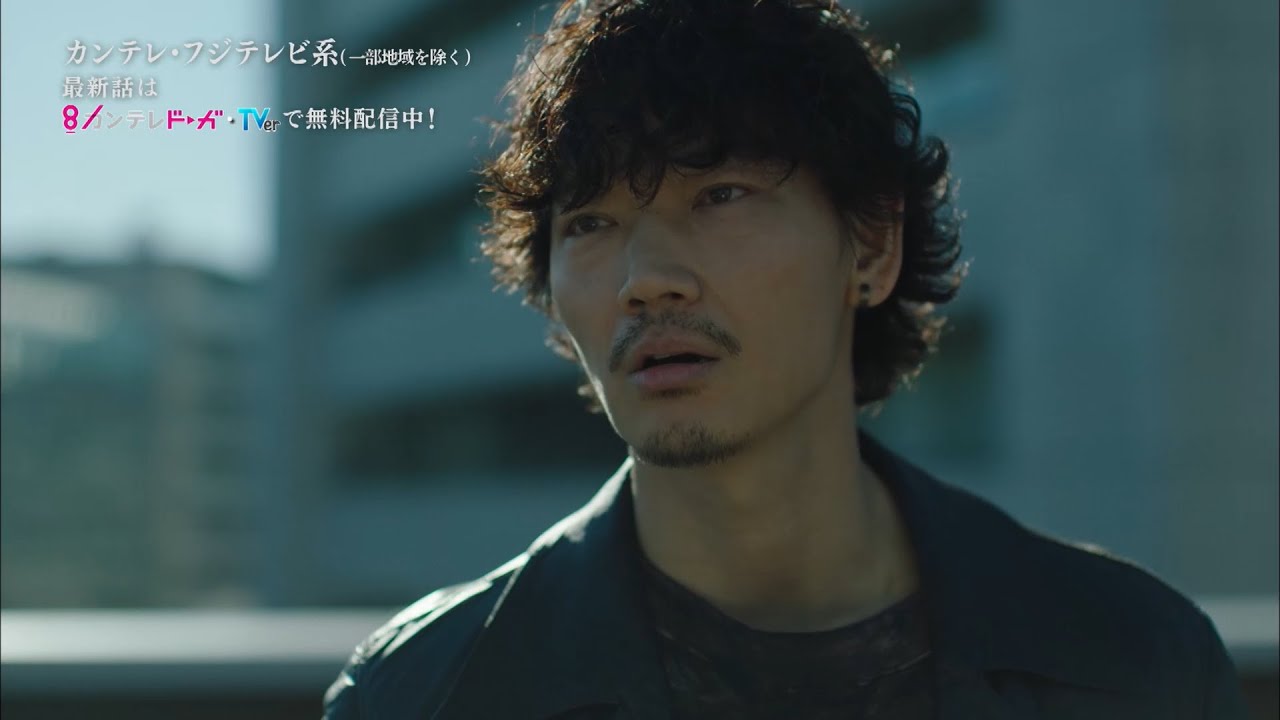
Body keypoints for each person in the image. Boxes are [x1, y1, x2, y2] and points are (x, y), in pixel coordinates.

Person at [324, 1, 1249, 717]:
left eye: (719, 195)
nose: (647, 281)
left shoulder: (1133, 663)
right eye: (592, 223)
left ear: (872, 246)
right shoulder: (426, 695)